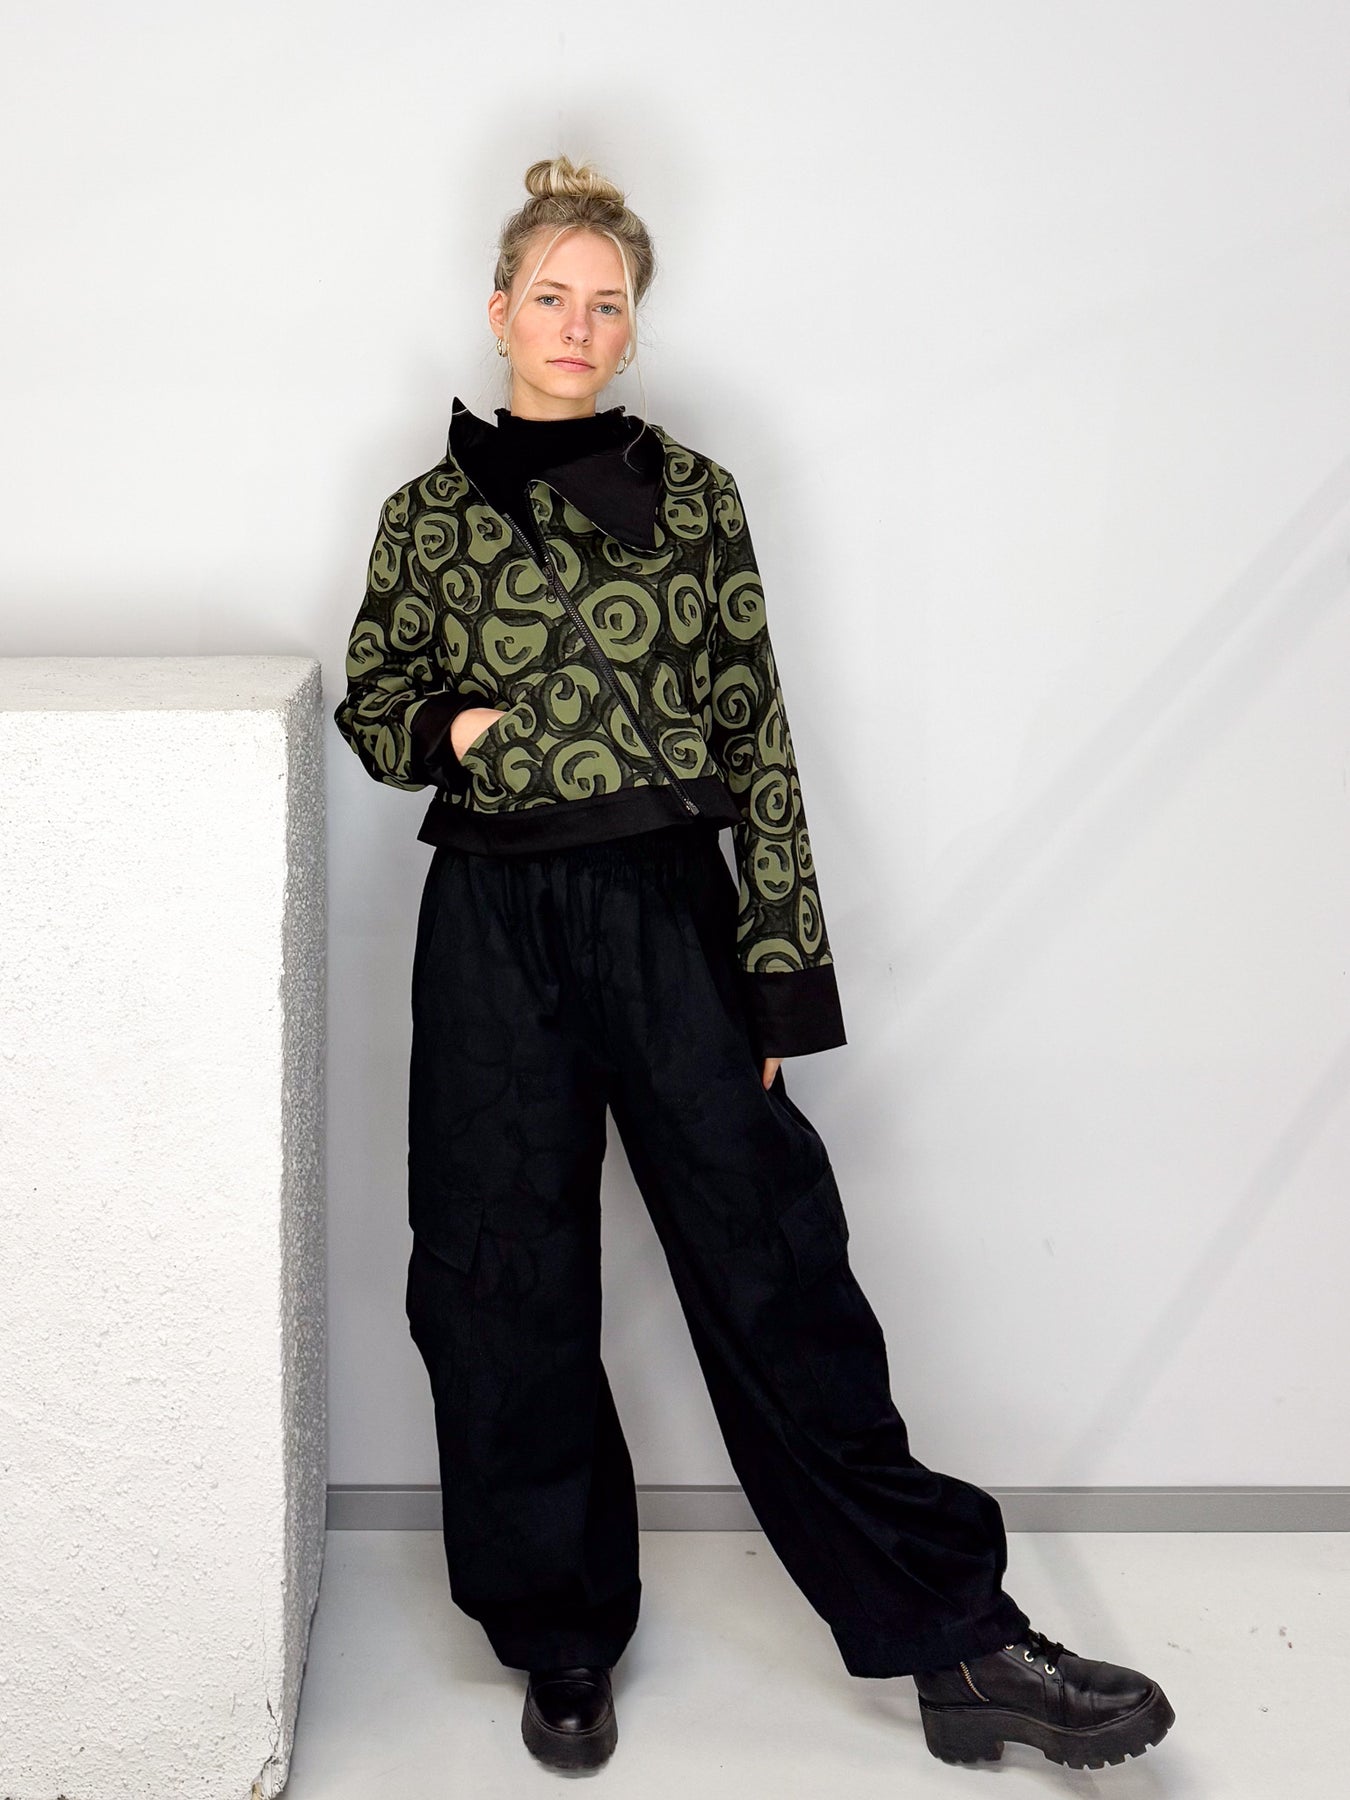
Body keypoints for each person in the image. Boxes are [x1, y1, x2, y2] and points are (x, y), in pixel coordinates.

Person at [333, 153, 1175, 1777]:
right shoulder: (424, 515)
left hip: (669, 910)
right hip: (492, 922)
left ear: (631, 331)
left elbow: (759, 738)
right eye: (551, 296)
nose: (577, 326)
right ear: (498, 310)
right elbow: (377, 707)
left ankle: (956, 1640)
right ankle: (560, 1635)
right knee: (499, 1283)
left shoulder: (697, 495)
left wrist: (776, 974)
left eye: (607, 305)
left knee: (773, 1269)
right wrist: (456, 728)